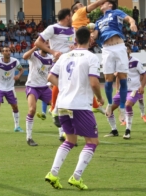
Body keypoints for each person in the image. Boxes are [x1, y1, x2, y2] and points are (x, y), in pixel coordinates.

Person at [45, 27, 104, 190]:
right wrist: (99, 98)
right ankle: (76, 177)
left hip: (62, 104)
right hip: (79, 105)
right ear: (90, 41)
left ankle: (53, 173)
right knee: (92, 141)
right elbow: (94, 82)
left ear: (75, 40)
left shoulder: (64, 56)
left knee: (70, 140)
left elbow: (50, 77)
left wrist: (64, 88)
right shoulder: (91, 57)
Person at [71, 0, 121, 114]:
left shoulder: (82, 20)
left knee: (84, 77)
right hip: (78, 46)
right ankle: (55, 107)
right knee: (84, 77)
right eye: (81, 5)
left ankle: (94, 104)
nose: (83, 6)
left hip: (78, 45)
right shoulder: (79, 12)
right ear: (76, 10)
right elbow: (96, 3)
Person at [92, 0, 137, 121]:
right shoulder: (99, 21)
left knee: (122, 79)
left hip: (119, 46)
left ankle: (122, 107)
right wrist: (90, 34)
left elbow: (129, 19)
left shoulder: (116, 12)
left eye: (103, 3)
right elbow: (95, 35)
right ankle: (110, 103)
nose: (101, 4)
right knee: (108, 79)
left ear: (110, 5)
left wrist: (132, 23)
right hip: (106, 49)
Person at [34, 8, 75, 139]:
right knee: (65, 90)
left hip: (71, 64)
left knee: (66, 92)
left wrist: (75, 47)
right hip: (60, 62)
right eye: (72, 15)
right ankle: (56, 112)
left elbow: (74, 44)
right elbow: (37, 42)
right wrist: (53, 52)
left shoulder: (72, 30)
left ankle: (61, 126)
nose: (73, 17)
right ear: (67, 17)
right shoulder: (53, 28)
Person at [105, 43, 146, 139]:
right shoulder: (119, 62)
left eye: (126, 49)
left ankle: (128, 130)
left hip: (134, 90)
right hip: (122, 91)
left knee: (128, 104)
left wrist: (142, 86)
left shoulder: (136, 62)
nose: (124, 51)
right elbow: (118, 77)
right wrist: (117, 89)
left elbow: (144, 75)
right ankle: (114, 130)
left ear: (129, 51)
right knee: (109, 110)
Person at [22, 43, 53, 146]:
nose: (47, 46)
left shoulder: (50, 59)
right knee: (32, 110)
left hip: (44, 87)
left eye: (48, 45)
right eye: (45, 45)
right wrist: (35, 47)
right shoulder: (34, 55)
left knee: (57, 107)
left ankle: (62, 135)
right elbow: (24, 56)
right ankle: (29, 138)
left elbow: (51, 73)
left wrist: (51, 84)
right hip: (32, 86)